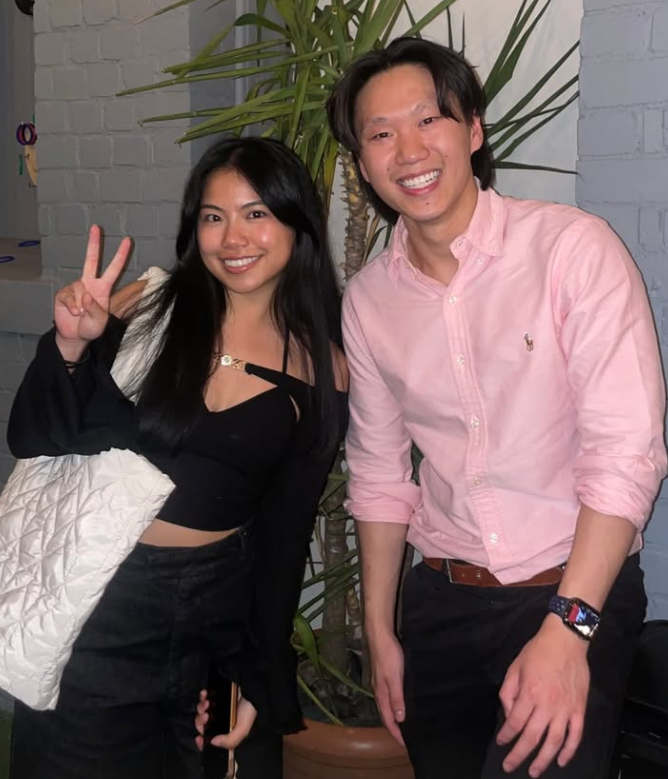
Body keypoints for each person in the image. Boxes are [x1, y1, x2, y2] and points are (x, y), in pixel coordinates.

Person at [325, 36, 667, 779]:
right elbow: (379, 473)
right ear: (362, 163)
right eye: (381, 134)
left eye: (429, 120)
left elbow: (626, 454)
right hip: (439, 603)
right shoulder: (370, 301)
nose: (409, 151)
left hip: (570, 590)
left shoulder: (572, 251)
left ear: (473, 129)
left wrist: (568, 630)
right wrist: (381, 629)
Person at [6, 136, 348, 779]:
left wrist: (258, 671)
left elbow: (284, 533)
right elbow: (37, 438)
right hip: (102, 601)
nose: (233, 237)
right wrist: (71, 347)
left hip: (214, 616)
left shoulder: (320, 365)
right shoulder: (149, 306)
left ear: (295, 222)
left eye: (255, 213)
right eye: (214, 216)